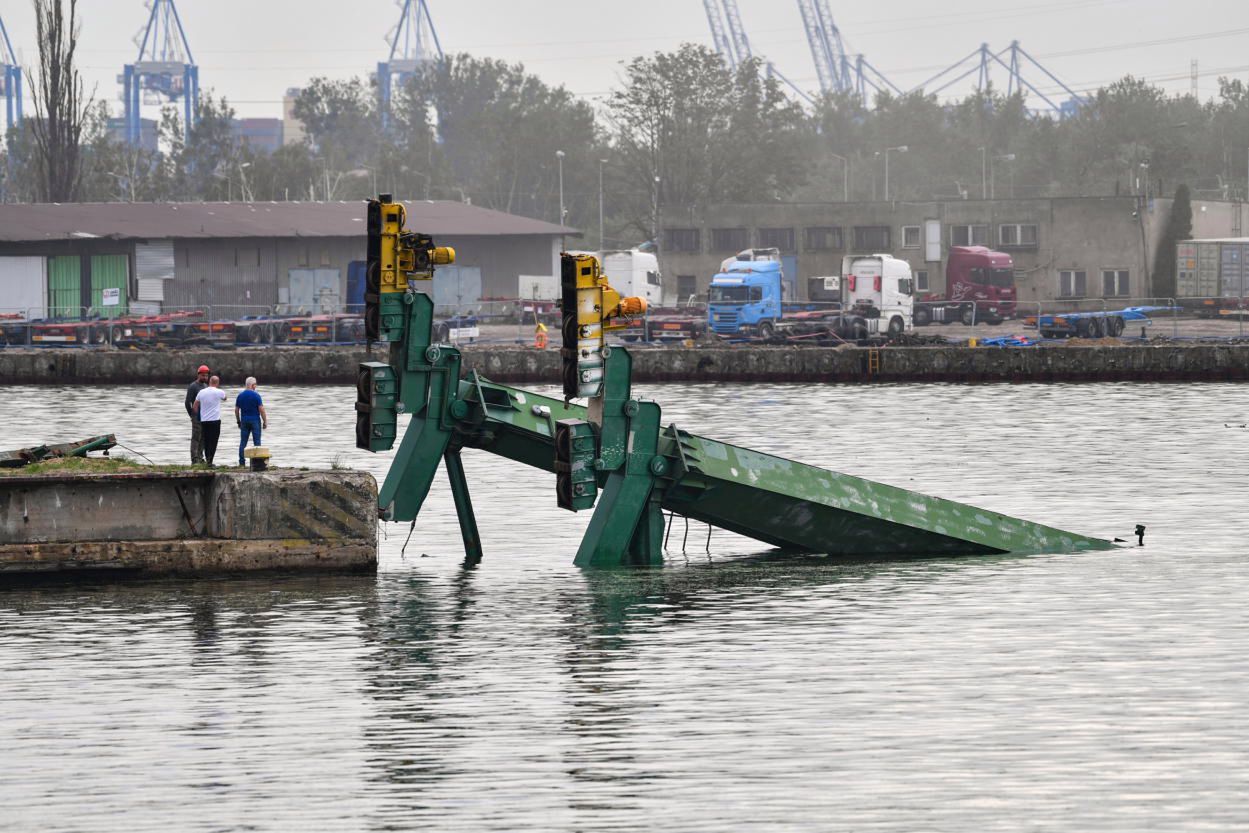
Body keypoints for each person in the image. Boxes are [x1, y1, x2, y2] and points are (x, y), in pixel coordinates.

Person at [192, 375, 229, 466]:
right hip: (215, 421)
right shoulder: (219, 392)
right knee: (213, 441)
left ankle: (207, 460)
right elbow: (225, 398)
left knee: (206, 441)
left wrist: (197, 417)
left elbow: (195, 406)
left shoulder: (201, 392)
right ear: (217, 383)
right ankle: (210, 461)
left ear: (209, 382)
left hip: (204, 421)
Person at [235, 376, 268, 467]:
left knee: (243, 442)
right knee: (257, 442)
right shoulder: (256, 395)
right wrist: (265, 421)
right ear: (253, 385)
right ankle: (257, 463)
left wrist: (238, 421)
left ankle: (242, 463)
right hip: (255, 421)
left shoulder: (240, 396)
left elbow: (236, 410)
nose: (255, 387)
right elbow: (261, 409)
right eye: (255, 385)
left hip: (244, 420)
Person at [184, 365, 210, 464]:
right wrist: (192, 415)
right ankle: (194, 459)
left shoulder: (205, 386)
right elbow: (187, 402)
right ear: (198, 375)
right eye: (203, 375)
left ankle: (200, 457)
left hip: (205, 416)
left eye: (206, 376)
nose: (205, 378)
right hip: (196, 416)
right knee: (196, 438)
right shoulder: (193, 386)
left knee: (203, 438)